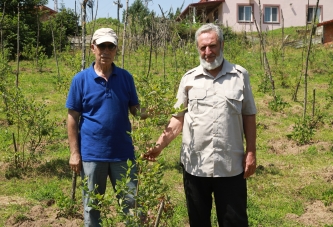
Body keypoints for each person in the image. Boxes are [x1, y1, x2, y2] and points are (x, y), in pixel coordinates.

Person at [143, 23, 257, 227]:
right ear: (198, 49)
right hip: (195, 165)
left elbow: (249, 114)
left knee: (235, 221)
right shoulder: (189, 79)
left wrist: (251, 153)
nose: (208, 52)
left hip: (230, 166)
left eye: (212, 46)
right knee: (198, 221)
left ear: (221, 45)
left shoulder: (240, 76)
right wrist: (159, 146)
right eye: (203, 48)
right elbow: (177, 119)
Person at [66, 28, 146, 227]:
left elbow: (135, 109)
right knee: (92, 206)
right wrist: (75, 153)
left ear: (116, 50)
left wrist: (155, 110)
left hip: (123, 153)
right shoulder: (80, 80)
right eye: (102, 46)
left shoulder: (126, 77)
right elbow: (72, 118)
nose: (106, 50)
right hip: (92, 155)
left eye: (111, 46)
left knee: (131, 204)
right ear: (93, 48)